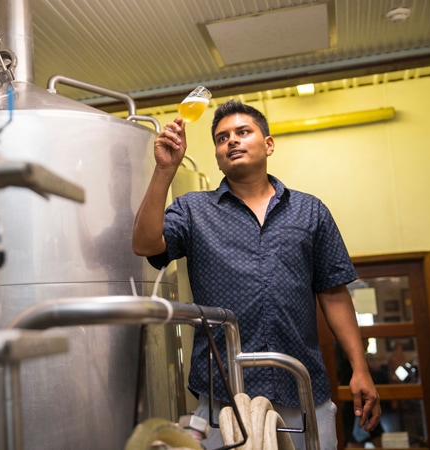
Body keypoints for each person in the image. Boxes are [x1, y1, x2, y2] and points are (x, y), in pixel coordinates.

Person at [131, 100, 381, 449]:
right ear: (217, 156)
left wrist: (360, 367)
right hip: (224, 397)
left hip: (302, 389)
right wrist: (164, 171)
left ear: (268, 144)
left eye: (242, 132)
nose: (231, 141)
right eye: (221, 138)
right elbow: (145, 244)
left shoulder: (310, 211)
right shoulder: (193, 210)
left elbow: (333, 292)